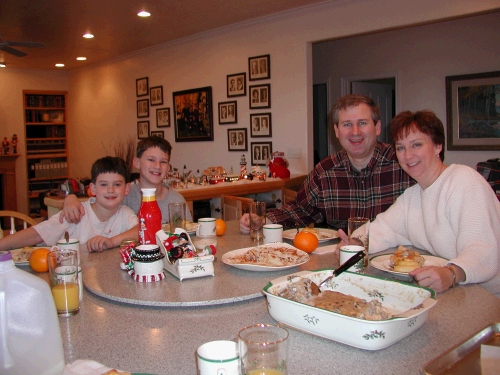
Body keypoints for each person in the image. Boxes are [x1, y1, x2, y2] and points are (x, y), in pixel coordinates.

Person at [338, 110, 500, 296]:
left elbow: (483, 250)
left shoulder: (463, 181)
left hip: (488, 299)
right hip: (456, 293)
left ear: (438, 146)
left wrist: (452, 274)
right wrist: (355, 243)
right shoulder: (413, 195)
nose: (407, 156)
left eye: (416, 145)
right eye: (400, 148)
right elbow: (384, 229)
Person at [239, 94, 415, 233]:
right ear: (337, 131)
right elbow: (300, 210)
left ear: (377, 127)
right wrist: (262, 220)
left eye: (362, 123)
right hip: (341, 263)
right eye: (347, 124)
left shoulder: (403, 164)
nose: (355, 132)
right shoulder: (325, 171)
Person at [0, 157, 138, 253]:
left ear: (126, 188)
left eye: (117, 184)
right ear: (93, 188)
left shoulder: (125, 213)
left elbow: (141, 230)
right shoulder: (76, 213)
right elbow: (36, 234)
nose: (110, 190)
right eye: (103, 184)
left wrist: (111, 242)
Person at [61, 136, 192, 225]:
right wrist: (70, 199)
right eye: (151, 160)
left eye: (163, 162)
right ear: (136, 162)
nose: (157, 166)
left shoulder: (177, 201)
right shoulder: (125, 194)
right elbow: (95, 206)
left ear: (168, 167)